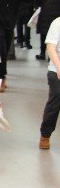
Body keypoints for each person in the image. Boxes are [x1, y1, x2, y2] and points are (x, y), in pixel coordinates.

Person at [39, 17, 60, 150]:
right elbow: (50, 47)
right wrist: (59, 67)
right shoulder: (57, 22)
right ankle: (45, 134)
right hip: (56, 69)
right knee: (55, 101)